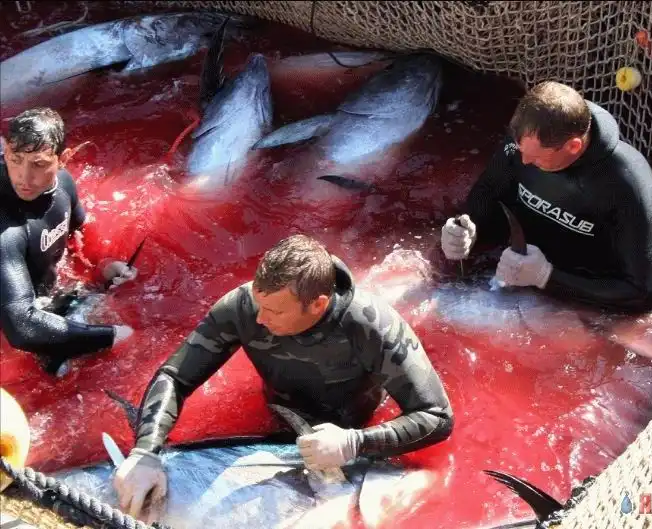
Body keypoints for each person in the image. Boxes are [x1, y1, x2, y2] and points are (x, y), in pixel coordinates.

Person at [113, 234, 454, 521]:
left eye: (274, 310)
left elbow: (437, 416)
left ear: (318, 304)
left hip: (351, 433)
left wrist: (354, 443)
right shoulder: (243, 307)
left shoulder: (371, 327)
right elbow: (175, 376)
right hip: (277, 421)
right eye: (258, 303)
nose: (259, 319)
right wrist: (145, 452)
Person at [440, 81, 652, 313]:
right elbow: (488, 191)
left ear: (573, 146)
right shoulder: (525, 143)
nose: (524, 161)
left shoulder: (626, 181)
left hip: (580, 281)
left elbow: (643, 293)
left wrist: (546, 277)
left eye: (537, 158)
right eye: (520, 150)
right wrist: (467, 229)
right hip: (513, 258)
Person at [0, 107, 137, 377]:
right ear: (5, 153)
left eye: (38, 164)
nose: (23, 177)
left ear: (63, 159)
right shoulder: (6, 230)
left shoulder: (63, 184)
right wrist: (112, 336)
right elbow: (20, 328)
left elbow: (79, 234)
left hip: (44, 297)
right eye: (15, 160)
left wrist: (105, 264)